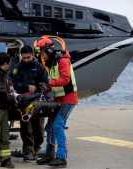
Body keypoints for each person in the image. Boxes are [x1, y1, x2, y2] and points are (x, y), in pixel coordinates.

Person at [35, 36, 78, 167]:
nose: (42, 56)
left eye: (42, 52)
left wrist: (49, 83)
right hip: (58, 99)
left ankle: (61, 157)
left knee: (58, 125)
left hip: (68, 99)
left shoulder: (62, 60)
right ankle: (50, 153)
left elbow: (65, 79)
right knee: (50, 127)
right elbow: (55, 81)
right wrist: (46, 86)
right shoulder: (53, 62)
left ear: (48, 50)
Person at [9, 45, 48, 161]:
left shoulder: (40, 68)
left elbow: (46, 83)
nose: (26, 60)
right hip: (23, 102)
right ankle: (28, 150)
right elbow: (12, 83)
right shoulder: (17, 68)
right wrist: (26, 86)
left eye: (28, 57)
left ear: (33, 55)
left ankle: (36, 148)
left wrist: (38, 87)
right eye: (24, 58)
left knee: (39, 129)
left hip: (37, 101)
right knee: (25, 128)